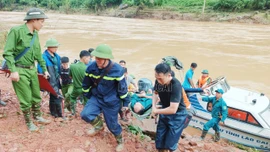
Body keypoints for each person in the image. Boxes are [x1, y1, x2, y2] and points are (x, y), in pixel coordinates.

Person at [2, 8, 51, 131]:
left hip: (32, 69)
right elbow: (8, 52)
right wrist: (13, 70)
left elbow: (38, 53)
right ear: (33, 20)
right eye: (41, 21)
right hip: (19, 69)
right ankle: (29, 122)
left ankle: (37, 115)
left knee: (36, 95)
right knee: (26, 98)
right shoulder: (16, 31)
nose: (42, 24)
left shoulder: (35, 34)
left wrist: (44, 69)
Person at [81, 44, 129, 152]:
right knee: (85, 114)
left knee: (112, 125)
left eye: (99, 58)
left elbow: (122, 89)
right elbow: (85, 84)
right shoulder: (91, 68)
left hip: (111, 101)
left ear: (106, 58)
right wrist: (88, 96)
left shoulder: (117, 70)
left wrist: (125, 104)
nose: (96, 60)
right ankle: (98, 126)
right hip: (97, 97)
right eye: (96, 57)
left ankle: (120, 140)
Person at [152, 63, 187, 152]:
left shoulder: (176, 85)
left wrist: (156, 111)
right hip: (164, 110)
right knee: (160, 139)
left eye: (160, 79)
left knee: (171, 143)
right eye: (156, 78)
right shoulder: (158, 81)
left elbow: (173, 109)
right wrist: (154, 107)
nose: (158, 81)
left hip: (178, 115)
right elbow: (155, 93)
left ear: (169, 75)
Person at [38, 38, 62, 118]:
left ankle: (53, 113)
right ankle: (59, 114)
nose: (56, 48)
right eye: (54, 47)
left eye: (56, 47)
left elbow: (59, 68)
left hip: (56, 79)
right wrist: (43, 75)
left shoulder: (57, 56)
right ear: (49, 47)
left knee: (53, 96)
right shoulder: (43, 57)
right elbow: (40, 68)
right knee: (57, 95)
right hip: (49, 80)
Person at [69, 50, 90, 115]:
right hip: (85, 89)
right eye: (89, 58)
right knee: (86, 101)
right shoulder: (87, 68)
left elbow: (70, 76)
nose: (89, 60)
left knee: (72, 97)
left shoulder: (72, 66)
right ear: (84, 58)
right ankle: (86, 114)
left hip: (76, 88)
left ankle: (73, 112)